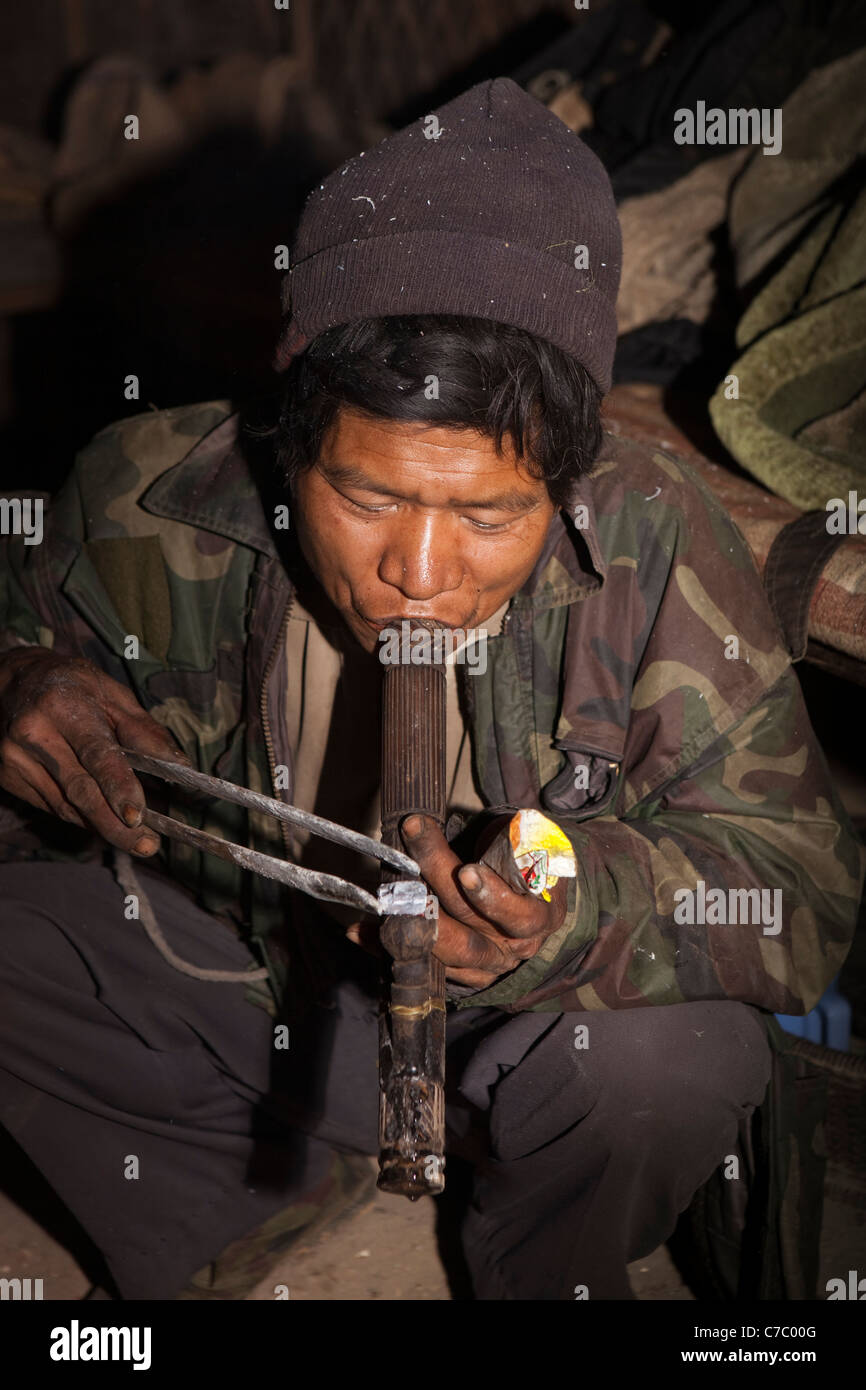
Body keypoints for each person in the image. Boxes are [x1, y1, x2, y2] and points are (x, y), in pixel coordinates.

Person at [0, 78, 861, 1302]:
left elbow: (802, 892)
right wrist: (17, 682)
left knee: (669, 1060)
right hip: (251, 1005)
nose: (417, 573)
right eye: (366, 498)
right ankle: (232, 1196)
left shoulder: (655, 535)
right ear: (286, 437)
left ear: (563, 481)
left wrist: (562, 919)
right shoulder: (146, 489)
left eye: (487, 514)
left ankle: (539, 1263)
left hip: (519, 1054)